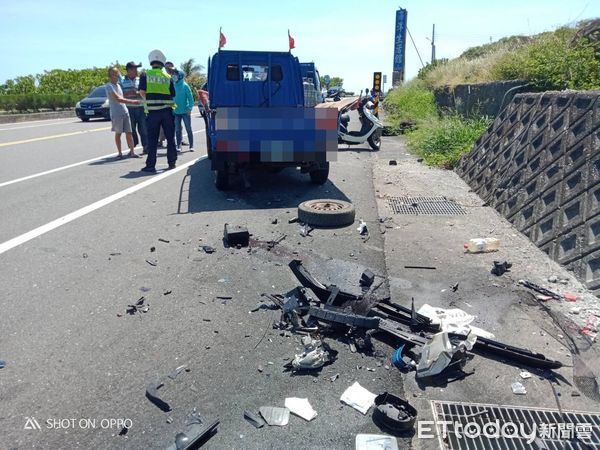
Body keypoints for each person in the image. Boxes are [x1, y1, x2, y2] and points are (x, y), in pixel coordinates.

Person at [138, 49, 177, 172]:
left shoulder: (145, 74)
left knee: (152, 140)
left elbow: (142, 92)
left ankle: (150, 165)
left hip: (152, 112)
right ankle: (172, 162)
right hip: (167, 111)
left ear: (151, 62)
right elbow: (172, 94)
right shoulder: (167, 76)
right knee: (170, 138)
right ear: (162, 63)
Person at [105, 66, 141, 159]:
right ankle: (120, 153)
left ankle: (132, 152)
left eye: (117, 74)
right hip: (116, 112)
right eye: (115, 74)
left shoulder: (118, 85)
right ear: (110, 75)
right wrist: (132, 102)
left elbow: (122, 96)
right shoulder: (109, 86)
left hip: (125, 111)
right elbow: (118, 98)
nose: (117, 76)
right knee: (119, 133)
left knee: (129, 132)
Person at [120, 61, 148, 154]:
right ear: (129, 70)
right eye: (134, 69)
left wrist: (139, 93)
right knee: (130, 129)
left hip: (141, 107)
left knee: (143, 128)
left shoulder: (140, 80)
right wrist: (126, 93)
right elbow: (119, 95)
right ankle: (132, 147)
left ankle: (146, 147)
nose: (136, 71)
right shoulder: (122, 81)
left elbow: (146, 92)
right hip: (129, 108)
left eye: (137, 69)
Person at [172, 70, 195, 152]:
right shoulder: (173, 85)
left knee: (188, 128)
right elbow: (171, 98)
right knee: (177, 130)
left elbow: (191, 99)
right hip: (176, 112)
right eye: (173, 75)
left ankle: (191, 146)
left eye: (175, 75)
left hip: (185, 111)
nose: (173, 76)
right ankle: (179, 146)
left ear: (180, 76)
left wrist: (189, 108)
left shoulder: (185, 86)